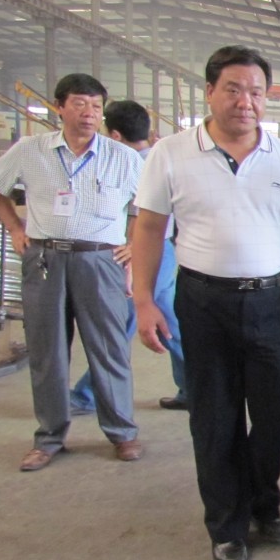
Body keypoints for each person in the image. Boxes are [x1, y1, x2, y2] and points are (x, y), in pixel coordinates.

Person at [132, 46, 280, 560]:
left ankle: (264, 505)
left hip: (271, 300)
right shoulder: (171, 154)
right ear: (210, 92)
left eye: (257, 92)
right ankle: (227, 526)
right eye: (234, 90)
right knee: (214, 419)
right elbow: (149, 228)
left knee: (274, 415)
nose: (246, 102)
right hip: (204, 304)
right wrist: (144, 300)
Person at [0, 73, 143, 471]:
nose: (89, 113)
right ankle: (50, 437)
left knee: (109, 348)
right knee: (47, 351)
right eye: (79, 104)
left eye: (96, 106)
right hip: (45, 260)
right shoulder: (30, 150)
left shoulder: (123, 157)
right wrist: (15, 228)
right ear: (59, 107)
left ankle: (122, 432)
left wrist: (134, 244)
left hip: (100, 261)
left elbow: (147, 206)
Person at [69, 100, 188, 414]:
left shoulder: (134, 165)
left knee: (118, 324)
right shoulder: (161, 159)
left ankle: (86, 396)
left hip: (141, 253)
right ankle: (194, 388)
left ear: (116, 135)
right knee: (169, 323)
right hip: (164, 251)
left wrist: (132, 248)